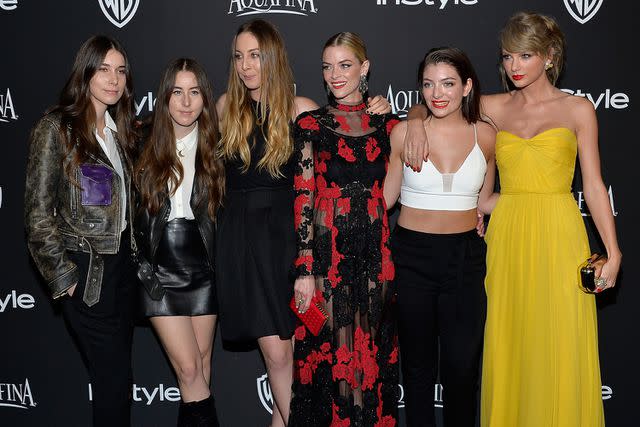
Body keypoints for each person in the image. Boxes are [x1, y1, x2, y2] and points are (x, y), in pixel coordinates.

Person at [405, 12, 622, 427]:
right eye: (508, 56)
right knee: (509, 343)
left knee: (555, 344)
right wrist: (415, 123)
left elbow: (593, 185)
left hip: (559, 234)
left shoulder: (578, 109)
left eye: (526, 55)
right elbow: (435, 101)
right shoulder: (491, 107)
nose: (515, 66)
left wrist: (613, 251)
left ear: (549, 56)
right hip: (506, 236)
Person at [215, 20, 390, 427]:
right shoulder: (226, 106)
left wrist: (392, 110)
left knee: (295, 357)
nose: (245, 66)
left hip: (294, 241)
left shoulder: (303, 110)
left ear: (273, 57)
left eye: (255, 55)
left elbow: (355, 133)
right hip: (244, 241)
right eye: (239, 56)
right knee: (277, 355)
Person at [24, 35, 137, 427]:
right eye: (103, 69)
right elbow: (38, 213)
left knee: (118, 383)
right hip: (87, 274)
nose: (113, 79)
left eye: (120, 70)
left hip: (122, 272)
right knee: (111, 382)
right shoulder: (56, 128)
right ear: (85, 72)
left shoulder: (119, 130)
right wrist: (64, 276)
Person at [289, 31, 400, 426]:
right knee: (333, 361)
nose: (335, 75)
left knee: (369, 360)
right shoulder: (310, 125)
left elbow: (434, 116)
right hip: (327, 258)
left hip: (375, 256)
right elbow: (303, 197)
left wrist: (402, 118)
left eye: (345, 65)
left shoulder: (388, 124)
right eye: (327, 66)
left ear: (364, 68)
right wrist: (304, 269)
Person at [383, 47, 495, 427]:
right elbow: (384, 199)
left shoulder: (488, 135)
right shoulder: (403, 133)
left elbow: (485, 201)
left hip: (465, 259)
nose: (438, 93)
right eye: (428, 85)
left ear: (467, 86)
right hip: (410, 257)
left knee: (462, 372)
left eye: (448, 83)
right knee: (417, 371)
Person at [134, 58, 224, 426]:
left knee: (201, 370)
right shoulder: (138, 139)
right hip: (159, 269)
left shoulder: (219, 145)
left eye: (194, 92)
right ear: (164, 97)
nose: (186, 102)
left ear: (205, 98)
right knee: (188, 371)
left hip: (203, 264)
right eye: (177, 92)